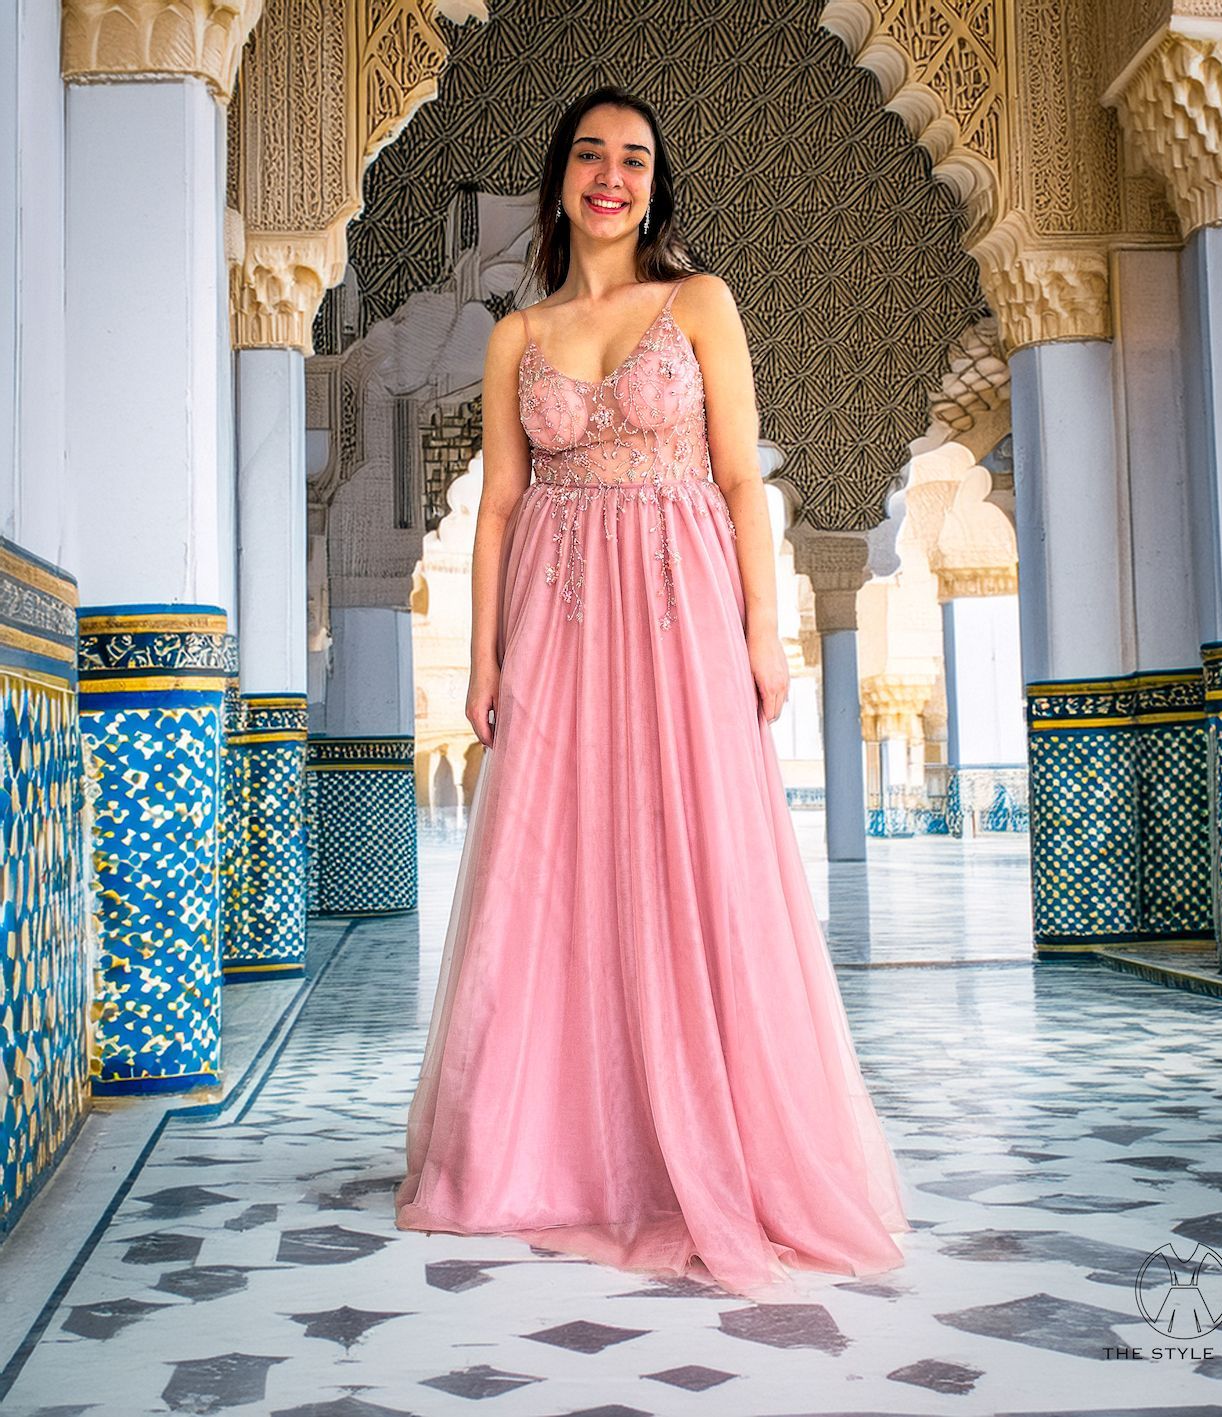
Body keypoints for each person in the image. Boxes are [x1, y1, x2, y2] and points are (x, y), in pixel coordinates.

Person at [394, 84, 911, 1302]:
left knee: (691, 856)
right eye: (589, 154)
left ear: (653, 183)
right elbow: (502, 509)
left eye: (633, 158)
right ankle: (551, 1145)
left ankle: (709, 1142)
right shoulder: (517, 337)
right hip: (562, 615)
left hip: (681, 608)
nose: (610, 175)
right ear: (559, 179)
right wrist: (483, 657)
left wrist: (767, 630)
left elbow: (739, 479)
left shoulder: (700, 303)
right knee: (556, 865)